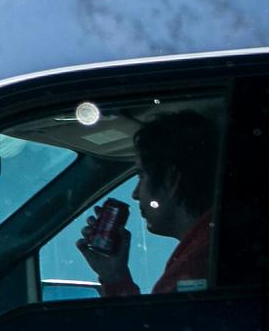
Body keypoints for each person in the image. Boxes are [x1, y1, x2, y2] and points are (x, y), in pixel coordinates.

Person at [77, 110, 218, 296]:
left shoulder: (196, 267)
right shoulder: (210, 249)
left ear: (171, 180)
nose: (135, 194)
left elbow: (151, 325)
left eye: (141, 176)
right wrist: (114, 276)